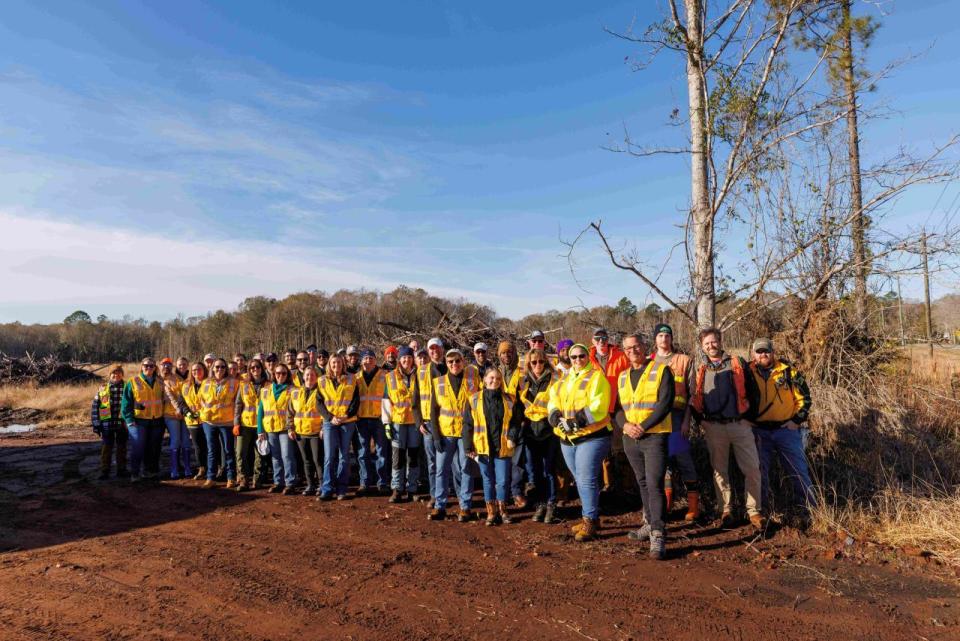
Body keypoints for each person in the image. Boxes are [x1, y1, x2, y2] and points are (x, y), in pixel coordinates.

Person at [690, 327, 764, 530]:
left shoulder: (737, 363)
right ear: (702, 347)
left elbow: (754, 392)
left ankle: (754, 511)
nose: (711, 346)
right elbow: (694, 399)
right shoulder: (701, 369)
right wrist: (701, 421)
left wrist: (750, 419)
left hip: (740, 425)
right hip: (713, 428)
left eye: (713, 342)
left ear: (720, 342)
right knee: (720, 471)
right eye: (706, 344)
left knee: (752, 469)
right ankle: (726, 510)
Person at [618, 333, 675, 560]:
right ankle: (649, 524)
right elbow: (617, 409)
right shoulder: (623, 376)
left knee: (654, 483)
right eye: (628, 348)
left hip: (654, 436)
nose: (633, 351)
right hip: (631, 438)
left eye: (636, 346)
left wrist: (642, 426)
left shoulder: (661, 370)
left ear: (644, 346)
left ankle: (659, 533)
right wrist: (625, 426)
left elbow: (666, 403)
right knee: (642, 482)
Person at [745, 338, 815, 521]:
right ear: (753, 354)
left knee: (798, 471)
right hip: (759, 431)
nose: (763, 355)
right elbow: (738, 398)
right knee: (759, 473)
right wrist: (746, 420)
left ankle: (810, 511)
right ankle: (762, 512)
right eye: (759, 352)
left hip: (787, 431)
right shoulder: (746, 373)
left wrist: (796, 421)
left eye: (766, 351)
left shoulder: (790, 372)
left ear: (773, 352)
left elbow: (805, 399)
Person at [547, 343, 612, 542]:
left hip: (592, 436)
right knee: (580, 478)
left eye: (581, 356)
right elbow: (552, 401)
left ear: (587, 357)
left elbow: (599, 406)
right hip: (567, 438)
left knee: (586, 479)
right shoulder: (563, 380)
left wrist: (575, 423)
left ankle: (590, 521)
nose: (577, 360)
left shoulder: (596, 377)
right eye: (573, 356)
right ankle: (590, 516)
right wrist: (555, 417)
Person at [652, 324, 701, 521]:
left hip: (677, 417)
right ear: (655, 339)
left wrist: (686, 421)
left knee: (683, 460)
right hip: (656, 420)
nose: (664, 338)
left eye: (667, 335)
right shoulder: (649, 362)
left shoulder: (684, 360)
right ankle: (666, 505)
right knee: (662, 464)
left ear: (672, 339)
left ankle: (693, 507)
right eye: (660, 335)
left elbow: (692, 394)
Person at [463, 367, 523, 526]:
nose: (494, 381)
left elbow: (516, 422)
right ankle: (491, 512)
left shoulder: (510, 400)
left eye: (497, 378)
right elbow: (467, 424)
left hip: (502, 446)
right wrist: (468, 446)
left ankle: (503, 510)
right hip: (483, 447)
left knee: (503, 480)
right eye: (491, 378)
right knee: (488, 480)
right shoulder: (473, 399)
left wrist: (512, 436)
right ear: (484, 380)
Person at [428, 348, 480, 521]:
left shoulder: (472, 381)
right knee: (441, 470)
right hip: (446, 433)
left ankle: (465, 507)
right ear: (446, 363)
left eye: (457, 361)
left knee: (466, 469)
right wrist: (435, 436)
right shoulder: (438, 383)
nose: (454, 364)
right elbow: (433, 412)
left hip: (466, 433)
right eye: (450, 362)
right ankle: (440, 506)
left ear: (463, 361)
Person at [518, 348, 560, 524]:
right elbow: (518, 407)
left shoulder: (555, 380)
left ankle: (551, 505)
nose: (537, 365)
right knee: (534, 472)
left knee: (549, 470)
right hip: (530, 432)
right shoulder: (523, 381)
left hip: (549, 431)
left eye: (541, 361)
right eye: (533, 362)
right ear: (528, 364)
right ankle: (540, 504)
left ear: (546, 362)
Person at [588, 328, 630, 494]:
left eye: (604, 338)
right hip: (596, 413)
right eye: (597, 338)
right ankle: (607, 486)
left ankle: (626, 488)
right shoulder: (587, 358)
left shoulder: (620, 356)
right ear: (593, 340)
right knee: (602, 451)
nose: (601, 342)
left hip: (618, 410)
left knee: (620, 450)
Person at [317, 354, 360, 500]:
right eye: (333, 362)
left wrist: (346, 416)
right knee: (329, 456)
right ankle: (327, 488)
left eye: (339, 362)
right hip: (330, 422)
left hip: (347, 421)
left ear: (343, 364)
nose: (336, 365)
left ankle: (341, 489)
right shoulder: (322, 380)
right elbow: (319, 403)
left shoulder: (351, 378)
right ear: (329, 364)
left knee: (344, 456)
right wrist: (330, 418)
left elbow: (355, 401)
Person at [382, 346, 422, 502]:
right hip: (398, 422)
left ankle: (412, 488)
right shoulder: (390, 377)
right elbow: (386, 401)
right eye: (404, 358)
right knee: (397, 457)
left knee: (413, 456)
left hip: (414, 422)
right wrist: (386, 423)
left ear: (413, 359)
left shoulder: (419, 375)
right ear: (399, 359)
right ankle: (397, 489)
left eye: (409, 358)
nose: (406, 360)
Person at [120, 357, 165, 483]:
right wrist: (129, 420)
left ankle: (149, 471)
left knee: (153, 448)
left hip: (157, 421)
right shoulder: (133, 382)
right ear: (141, 366)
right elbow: (126, 403)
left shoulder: (160, 381)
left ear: (155, 367)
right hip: (138, 421)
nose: (149, 368)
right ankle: (135, 473)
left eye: (151, 366)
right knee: (138, 447)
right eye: (146, 365)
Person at [198, 358, 239, 489]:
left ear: (226, 368)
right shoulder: (206, 382)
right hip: (209, 422)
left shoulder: (234, 382)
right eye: (217, 367)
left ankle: (231, 477)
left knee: (228, 450)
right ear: (212, 368)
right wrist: (204, 409)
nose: (219, 369)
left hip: (226, 422)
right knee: (211, 450)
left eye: (222, 367)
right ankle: (211, 478)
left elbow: (238, 401)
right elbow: (199, 399)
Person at [497, 340, 528, 508]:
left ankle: (516, 492)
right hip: (501, 423)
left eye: (509, 352)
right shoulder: (496, 373)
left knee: (517, 460)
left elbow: (525, 399)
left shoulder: (521, 373)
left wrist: (524, 420)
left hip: (518, 421)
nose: (506, 355)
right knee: (501, 458)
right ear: (499, 355)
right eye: (503, 353)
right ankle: (502, 494)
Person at [257, 362, 296, 494]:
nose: (280, 376)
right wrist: (260, 430)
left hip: (286, 428)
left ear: (287, 375)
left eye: (283, 373)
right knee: (275, 456)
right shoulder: (266, 389)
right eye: (278, 373)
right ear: (274, 374)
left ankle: (290, 483)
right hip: (271, 428)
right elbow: (260, 411)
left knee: (287, 456)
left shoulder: (293, 390)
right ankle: (278, 482)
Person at [234, 358, 272, 491]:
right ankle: (243, 480)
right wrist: (236, 423)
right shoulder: (244, 384)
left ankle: (257, 480)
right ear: (249, 370)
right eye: (252, 368)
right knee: (240, 453)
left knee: (260, 454)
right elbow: (238, 404)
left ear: (262, 368)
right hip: (245, 424)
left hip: (261, 425)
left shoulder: (269, 385)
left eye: (257, 367)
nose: (255, 370)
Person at [356, 350, 390, 495]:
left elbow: (389, 397)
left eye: (371, 358)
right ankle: (364, 482)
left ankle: (382, 482)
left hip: (379, 418)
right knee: (362, 452)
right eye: (365, 358)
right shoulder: (356, 377)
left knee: (381, 451)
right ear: (361, 361)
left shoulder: (385, 376)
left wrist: (388, 419)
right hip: (361, 419)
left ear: (376, 360)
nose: (368, 360)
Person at [418, 337, 447, 504]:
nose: (434, 351)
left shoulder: (450, 367)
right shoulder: (421, 371)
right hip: (428, 423)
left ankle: (450, 490)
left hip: (448, 422)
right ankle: (434, 494)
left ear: (442, 349)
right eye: (432, 349)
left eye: (437, 348)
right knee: (432, 462)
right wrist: (418, 421)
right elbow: (415, 399)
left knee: (450, 461)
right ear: (428, 352)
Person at [288, 366, 324, 496]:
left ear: (317, 377)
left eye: (312, 375)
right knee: (306, 460)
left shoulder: (321, 392)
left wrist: (323, 428)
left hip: (316, 432)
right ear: (303, 377)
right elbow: (290, 412)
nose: (310, 377)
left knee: (318, 460)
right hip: (300, 432)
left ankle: (322, 485)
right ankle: (310, 485)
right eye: (307, 375)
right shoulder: (295, 393)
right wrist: (290, 428)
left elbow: (325, 412)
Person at [90, 363, 129, 480]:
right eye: (113, 373)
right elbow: (95, 407)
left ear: (122, 374)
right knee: (107, 448)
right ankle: (105, 470)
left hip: (123, 424)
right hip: (107, 424)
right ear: (110, 375)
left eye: (118, 373)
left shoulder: (128, 387)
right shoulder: (103, 389)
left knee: (122, 447)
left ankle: (121, 470)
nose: (116, 375)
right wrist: (96, 424)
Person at [160, 357, 191, 480]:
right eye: (164, 365)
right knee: (176, 440)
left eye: (168, 365)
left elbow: (182, 395)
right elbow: (169, 396)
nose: (166, 367)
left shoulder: (177, 379)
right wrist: (178, 409)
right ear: (160, 366)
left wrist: (183, 410)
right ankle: (174, 469)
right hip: (170, 414)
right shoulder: (161, 380)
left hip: (182, 414)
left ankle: (187, 467)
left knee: (186, 440)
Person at [182, 362, 208, 480]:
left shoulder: (209, 383)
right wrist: (187, 412)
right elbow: (181, 402)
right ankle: (201, 468)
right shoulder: (186, 385)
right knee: (198, 447)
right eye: (193, 370)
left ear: (204, 370)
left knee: (210, 445)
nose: (196, 372)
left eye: (199, 369)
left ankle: (214, 468)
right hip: (192, 421)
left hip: (207, 420)